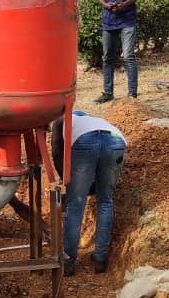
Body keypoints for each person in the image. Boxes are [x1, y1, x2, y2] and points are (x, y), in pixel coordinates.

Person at [52, 110, 127, 276]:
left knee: (76, 205)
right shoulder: (95, 119)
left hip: (84, 142)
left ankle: (68, 263)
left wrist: (69, 185)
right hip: (116, 140)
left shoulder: (60, 121)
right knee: (106, 200)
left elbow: (57, 153)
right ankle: (100, 259)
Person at [95, 0, 143, 103]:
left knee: (129, 56)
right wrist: (107, 5)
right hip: (109, 20)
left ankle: (132, 94)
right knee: (107, 57)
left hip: (127, 19)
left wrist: (124, 5)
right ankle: (108, 93)